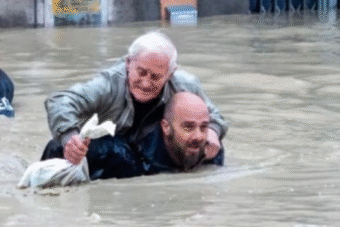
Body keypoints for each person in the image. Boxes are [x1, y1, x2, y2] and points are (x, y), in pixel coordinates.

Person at [41, 30, 227, 169]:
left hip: (150, 149)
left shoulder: (186, 85)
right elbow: (60, 100)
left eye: (155, 77)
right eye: (141, 72)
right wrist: (70, 139)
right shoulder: (109, 84)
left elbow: (215, 116)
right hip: (113, 149)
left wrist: (212, 131)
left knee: (210, 149)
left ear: (170, 74)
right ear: (129, 63)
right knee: (113, 152)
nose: (145, 83)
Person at [82, 92, 224, 179]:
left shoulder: (212, 150)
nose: (199, 136)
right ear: (166, 127)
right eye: (188, 127)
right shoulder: (126, 157)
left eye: (204, 127)